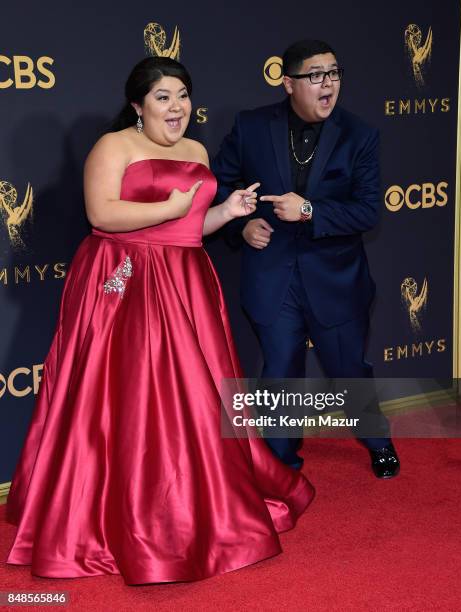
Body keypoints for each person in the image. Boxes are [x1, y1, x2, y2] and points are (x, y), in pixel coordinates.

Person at [6, 57, 314, 585]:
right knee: (123, 398)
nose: (177, 108)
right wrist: (168, 210)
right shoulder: (114, 146)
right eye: (163, 98)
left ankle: (198, 502)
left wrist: (228, 211)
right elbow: (102, 215)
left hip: (187, 277)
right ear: (137, 105)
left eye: (183, 96)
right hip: (124, 280)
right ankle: (115, 516)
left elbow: (192, 228)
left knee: (196, 397)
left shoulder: (196, 150)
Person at [212, 39, 400, 478]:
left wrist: (310, 210)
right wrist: (240, 224)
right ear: (288, 82)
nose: (328, 84)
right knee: (279, 372)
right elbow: (217, 186)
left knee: (349, 368)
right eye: (316, 75)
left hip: (336, 278)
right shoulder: (251, 127)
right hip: (273, 274)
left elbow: (368, 210)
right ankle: (279, 464)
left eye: (333, 73)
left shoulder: (360, 135)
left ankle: (377, 439)